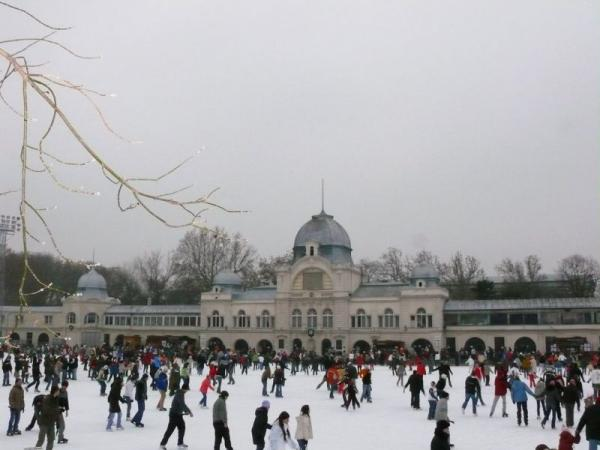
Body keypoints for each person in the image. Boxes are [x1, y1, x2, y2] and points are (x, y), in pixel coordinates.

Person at [159, 383, 193, 449]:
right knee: (170, 430)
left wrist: (187, 411)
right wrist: (188, 411)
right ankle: (162, 444)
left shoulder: (181, 393)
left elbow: (181, 404)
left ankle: (180, 443)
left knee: (182, 428)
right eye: (187, 390)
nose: (187, 391)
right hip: (174, 415)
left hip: (178, 415)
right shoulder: (180, 394)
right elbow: (182, 404)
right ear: (185, 389)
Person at [34, 385, 61, 450]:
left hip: (51, 423)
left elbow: (57, 411)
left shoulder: (56, 399)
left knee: (51, 439)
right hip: (44, 422)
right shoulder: (47, 399)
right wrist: (56, 410)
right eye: (58, 391)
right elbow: (46, 410)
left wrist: (58, 422)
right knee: (41, 440)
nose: (59, 392)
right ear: (55, 391)